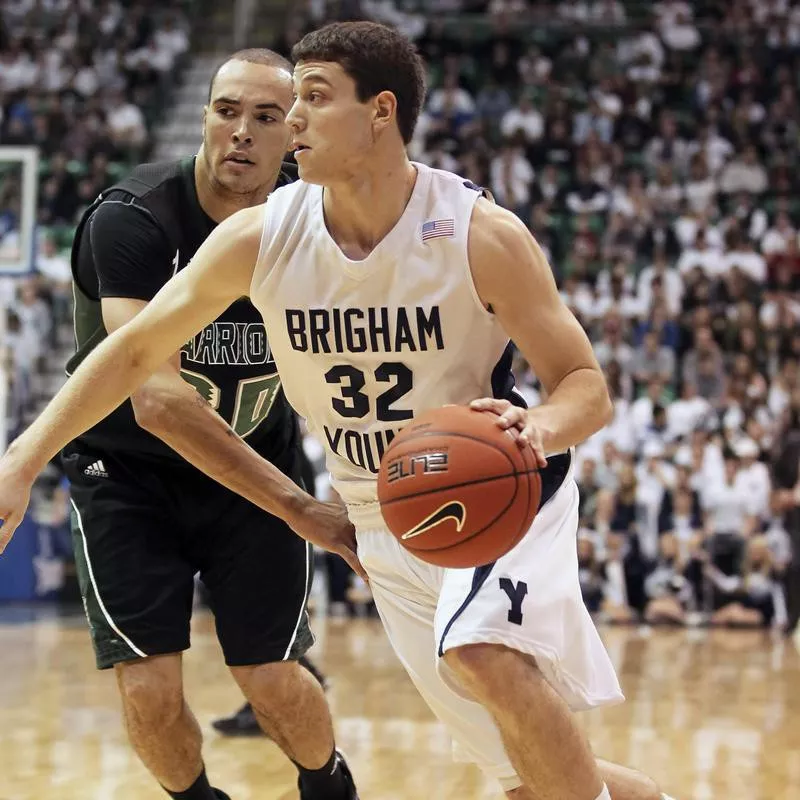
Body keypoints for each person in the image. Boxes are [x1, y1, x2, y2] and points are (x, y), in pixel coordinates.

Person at [0, 22, 677, 800]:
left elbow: (584, 382)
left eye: (312, 100)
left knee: (482, 653)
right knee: (528, 778)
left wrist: (540, 429)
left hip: (496, 481)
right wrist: (19, 462)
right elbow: (128, 356)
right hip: (381, 508)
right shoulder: (260, 238)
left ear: (380, 111)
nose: (292, 121)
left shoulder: (478, 234)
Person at [23, 48, 359, 800]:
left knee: (269, 676)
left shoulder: (322, 222)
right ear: (205, 117)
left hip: (254, 467)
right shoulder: (133, 219)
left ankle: (332, 787)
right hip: (128, 476)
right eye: (226, 111)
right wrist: (302, 508)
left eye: (265, 118)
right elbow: (158, 400)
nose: (241, 131)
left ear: (295, 134)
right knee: (146, 688)